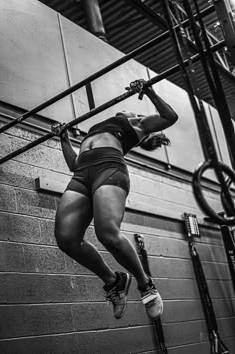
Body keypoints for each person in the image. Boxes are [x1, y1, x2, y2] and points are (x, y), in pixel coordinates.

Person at [55, 79, 178, 320]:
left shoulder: (139, 125)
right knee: (67, 239)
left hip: (109, 169)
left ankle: (145, 284)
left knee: (107, 233)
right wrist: (64, 139)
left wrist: (149, 91)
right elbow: (74, 164)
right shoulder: (100, 127)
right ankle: (114, 282)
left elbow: (170, 117)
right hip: (83, 172)